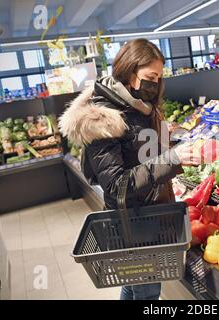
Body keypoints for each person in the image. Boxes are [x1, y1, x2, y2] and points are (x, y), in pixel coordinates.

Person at [59, 39, 197, 300]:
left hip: (151, 212)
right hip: (133, 223)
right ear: (129, 71)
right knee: (146, 291)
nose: (155, 83)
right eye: (150, 76)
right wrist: (173, 160)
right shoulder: (102, 119)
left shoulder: (138, 106)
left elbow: (144, 152)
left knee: (133, 283)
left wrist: (174, 146)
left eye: (159, 77)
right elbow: (116, 184)